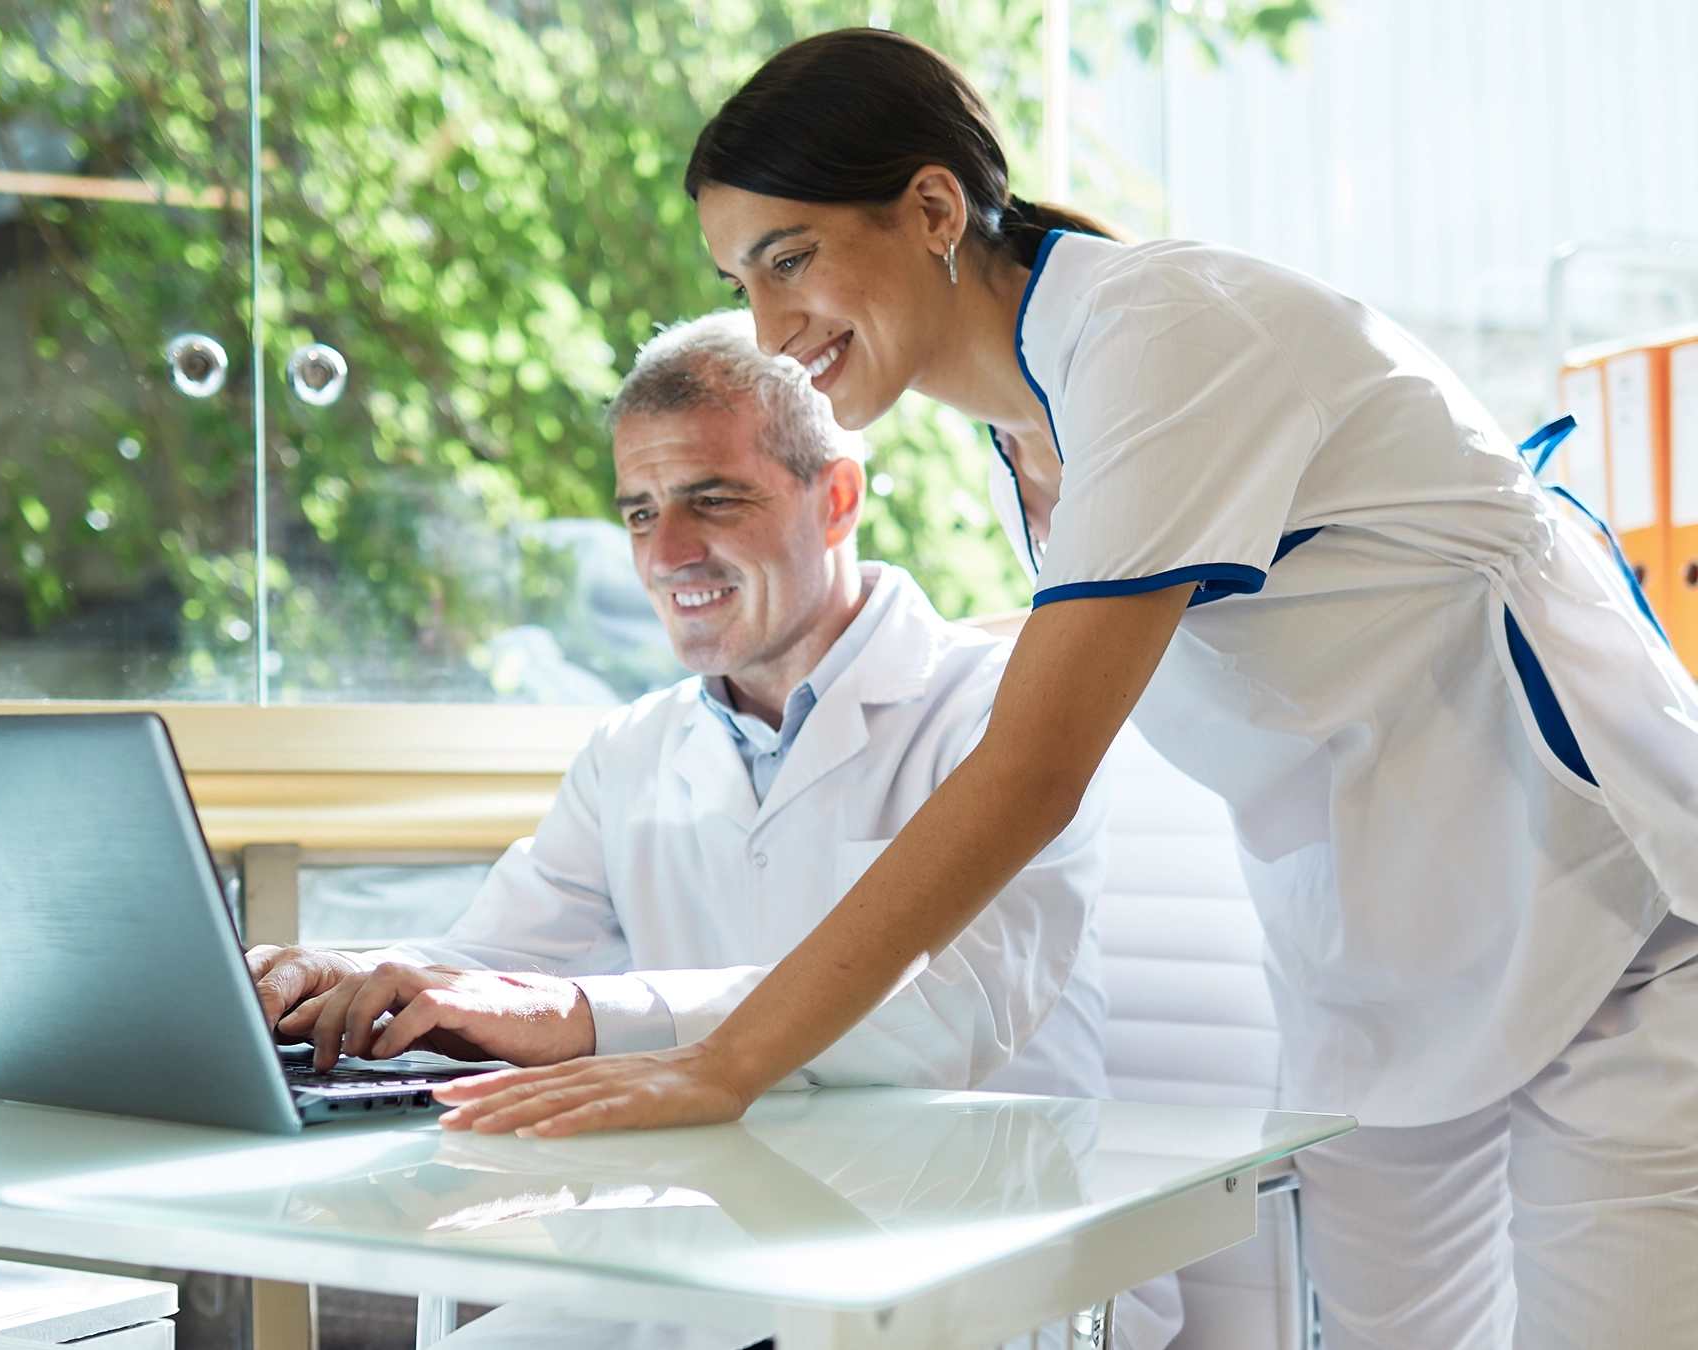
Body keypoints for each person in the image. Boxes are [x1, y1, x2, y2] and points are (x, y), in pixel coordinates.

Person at [425, 28, 1698, 1350]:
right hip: (1377, 951)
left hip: (1607, 915)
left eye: (789, 255)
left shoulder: (1165, 334)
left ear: (930, 208)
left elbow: (1034, 770)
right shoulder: (1024, 431)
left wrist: (721, 1064)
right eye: (740, 278)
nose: (768, 325)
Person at [248, 310, 1182, 1350]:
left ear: (835, 498)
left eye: (712, 500)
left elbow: (948, 1014)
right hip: (699, 1263)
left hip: (963, 1268)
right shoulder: (631, 750)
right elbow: (490, 967)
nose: (666, 552)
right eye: (639, 511)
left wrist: (580, 1013)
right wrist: (343, 977)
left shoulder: (1001, 715)